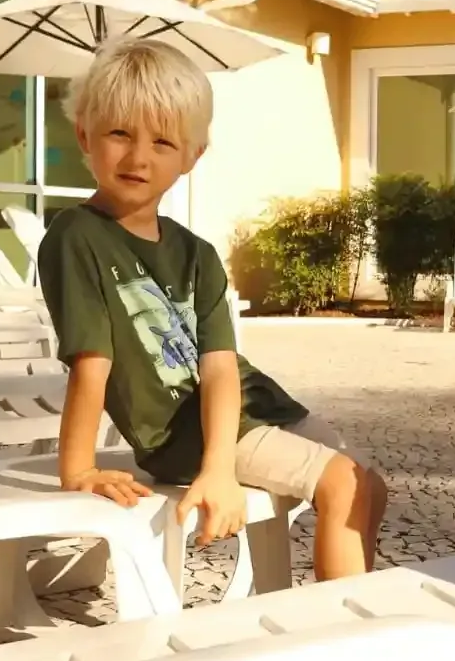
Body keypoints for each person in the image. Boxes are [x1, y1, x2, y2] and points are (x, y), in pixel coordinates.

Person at [38, 37, 386, 586]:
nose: (138, 156)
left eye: (161, 140)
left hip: (246, 405)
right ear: (84, 133)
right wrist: (78, 470)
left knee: (368, 482)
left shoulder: (194, 253)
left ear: (192, 155)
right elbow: (91, 363)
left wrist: (223, 466)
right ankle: (340, 639)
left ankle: (352, 611)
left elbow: (222, 365)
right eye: (119, 133)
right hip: (183, 435)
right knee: (341, 480)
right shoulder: (76, 236)